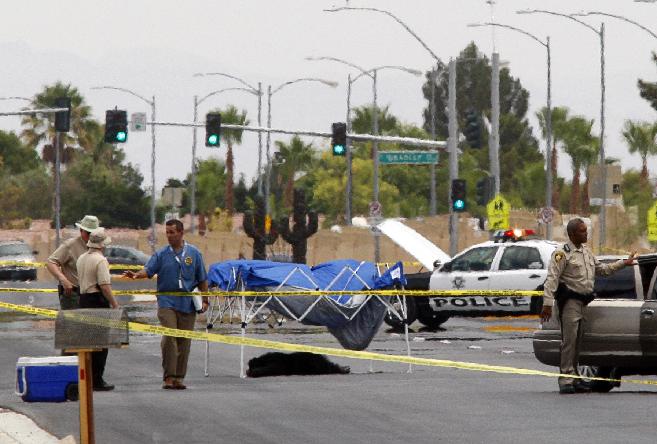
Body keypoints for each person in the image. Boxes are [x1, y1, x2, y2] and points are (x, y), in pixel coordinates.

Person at [541, 218, 636, 394]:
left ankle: (575, 377)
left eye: (586, 230)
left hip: (584, 302)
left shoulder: (586, 252)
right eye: (582, 231)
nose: (586, 234)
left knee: (578, 342)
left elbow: (603, 270)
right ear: (572, 234)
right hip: (569, 302)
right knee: (569, 341)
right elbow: (552, 279)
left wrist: (624, 263)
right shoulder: (562, 253)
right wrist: (547, 304)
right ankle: (566, 379)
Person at [124, 219, 209, 390]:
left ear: (181, 233)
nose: (169, 235)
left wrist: (205, 299)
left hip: (187, 303)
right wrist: (136, 275)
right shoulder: (162, 254)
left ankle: (179, 377)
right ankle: (168, 376)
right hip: (166, 302)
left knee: (183, 341)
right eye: (167, 232)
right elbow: (148, 270)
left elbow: (202, 279)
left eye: (172, 232)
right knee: (170, 337)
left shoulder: (194, 254)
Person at [76, 227, 120, 392]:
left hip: (83, 300)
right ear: (102, 245)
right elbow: (104, 285)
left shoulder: (81, 258)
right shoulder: (101, 261)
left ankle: (87, 377)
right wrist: (114, 304)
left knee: (88, 342)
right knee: (101, 343)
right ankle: (97, 379)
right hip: (96, 300)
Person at [47, 215, 100, 310]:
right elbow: (51, 262)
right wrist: (64, 280)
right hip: (74, 294)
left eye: (93, 233)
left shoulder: (99, 246)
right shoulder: (70, 245)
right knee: (73, 324)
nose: (91, 236)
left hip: (93, 295)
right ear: (81, 231)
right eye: (88, 233)